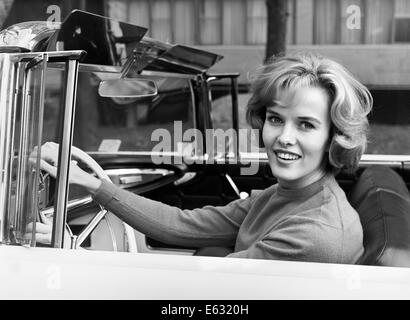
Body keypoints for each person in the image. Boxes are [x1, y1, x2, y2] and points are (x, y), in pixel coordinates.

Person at [37, 52, 373, 263]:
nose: (284, 137)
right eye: (275, 119)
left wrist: (75, 256)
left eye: (306, 125)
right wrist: (92, 185)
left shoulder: (314, 235)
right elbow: (183, 225)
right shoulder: (284, 196)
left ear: (334, 137)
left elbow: (202, 293)